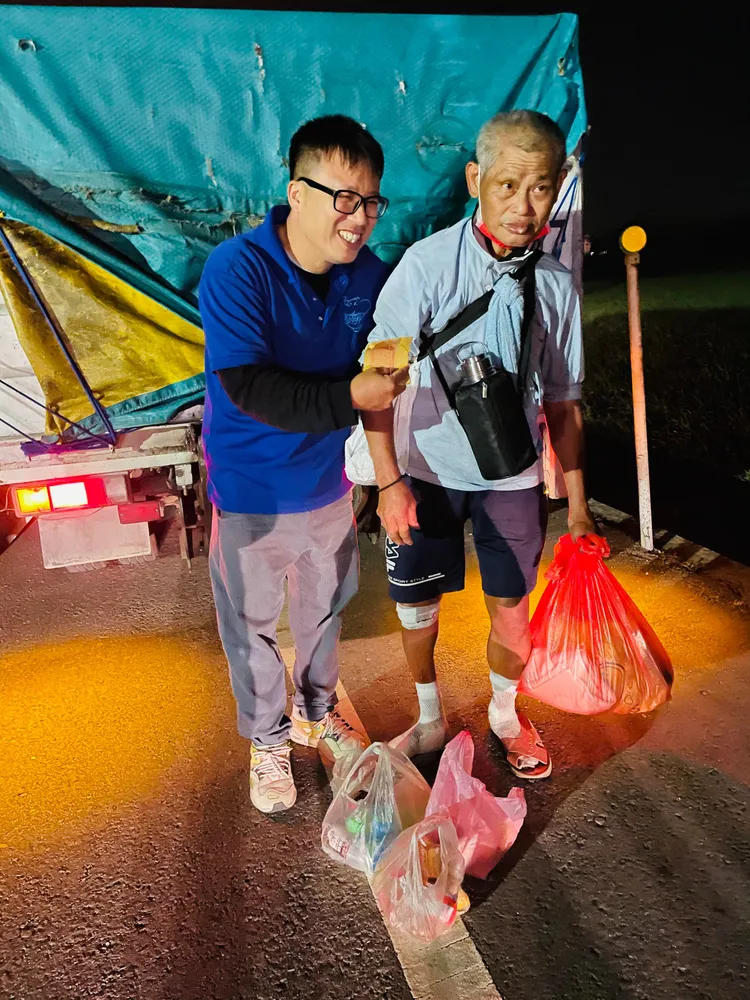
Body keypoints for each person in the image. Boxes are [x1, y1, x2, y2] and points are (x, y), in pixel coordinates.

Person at [362, 109, 599, 780]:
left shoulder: (555, 286)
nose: (525, 207)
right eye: (508, 185)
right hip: (425, 468)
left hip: (512, 476)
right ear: (475, 180)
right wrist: (389, 484)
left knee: (512, 610)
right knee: (417, 609)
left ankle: (504, 714)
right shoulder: (426, 267)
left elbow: (564, 402)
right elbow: (376, 382)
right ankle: (429, 716)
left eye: (542, 188)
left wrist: (579, 508)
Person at [200, 115, 407, 814]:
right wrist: (350, 395)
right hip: (251, 494)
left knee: (324, 615)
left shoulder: (371, 277)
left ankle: (318, 713)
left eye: (371, 202)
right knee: (252, 629)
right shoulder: (238, 268)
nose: (359, 218)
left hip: (327, 488)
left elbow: (382, 380)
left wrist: (389, 476)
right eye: (343, 198)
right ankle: (267, 740)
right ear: (296, 192)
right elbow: (249, 386)